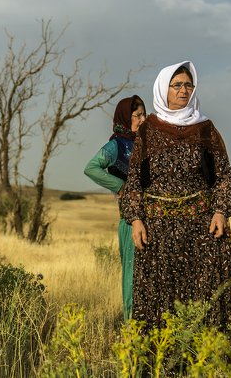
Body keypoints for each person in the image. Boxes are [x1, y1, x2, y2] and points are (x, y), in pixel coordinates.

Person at [119, 61, 231, 331]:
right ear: (164, 89)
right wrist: (136, 219)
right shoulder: (148, 131)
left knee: (202, 299)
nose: (183, 90)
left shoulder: (206, 129)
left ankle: (204, 363)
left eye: (188, 85)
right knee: (159, 301)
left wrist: (220, 211)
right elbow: (135, 180)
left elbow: (223, 176)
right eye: (177, 85)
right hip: (157, 231)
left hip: (201, 230)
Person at [84, 95, 146, 320]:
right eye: (137, 116)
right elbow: (91, 168)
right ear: (125, 118)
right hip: (130, 222)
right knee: (132, 277)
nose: (142, 119)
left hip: (153, 219)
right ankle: (132, 328)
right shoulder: (117, 145)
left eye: (143, 114)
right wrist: (120, 186)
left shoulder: (146, 142)